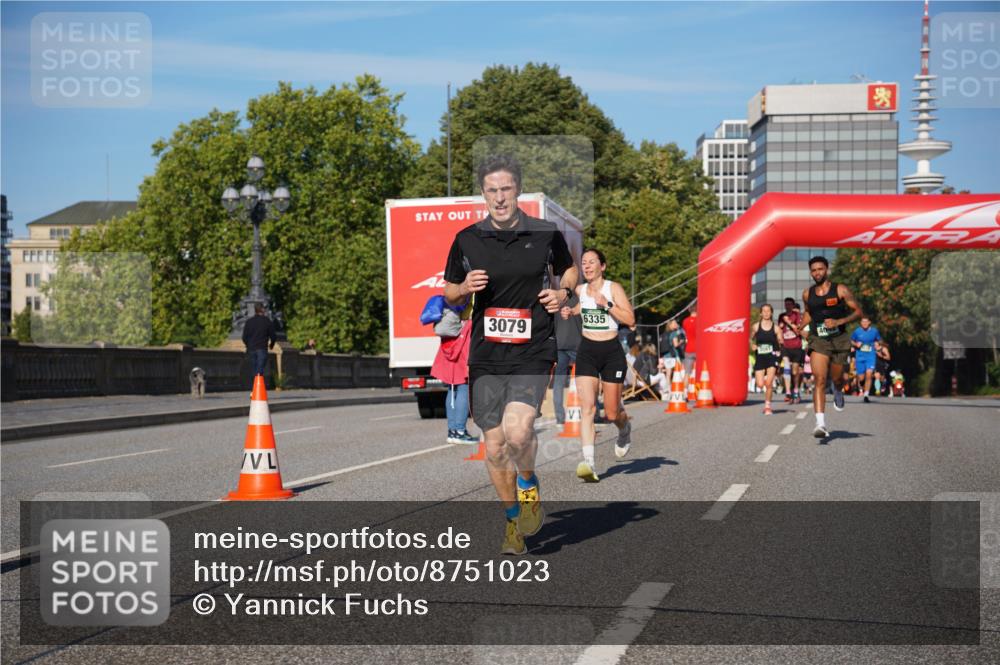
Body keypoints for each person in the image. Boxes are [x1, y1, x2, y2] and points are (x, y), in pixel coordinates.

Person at [443, 154, 578, 555]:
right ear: (482, 194)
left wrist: (562, 292)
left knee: (519, 431)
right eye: (491, 190)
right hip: (486, 353)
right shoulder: (467, 239)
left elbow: (569, 270)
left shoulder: (545, 232)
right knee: (496, 445)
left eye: (506, 189)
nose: (499, 197)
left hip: (533, 347)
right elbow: (448, 291)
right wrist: (464, 286)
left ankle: (528, 482)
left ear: (517, 189)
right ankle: (511, 522)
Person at [560, 248, 635, 482]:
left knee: (612, 412)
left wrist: (608, 305)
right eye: (584, 263)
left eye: (592, 262)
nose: (587, 266)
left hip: (611, 352)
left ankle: (624, 431)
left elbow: (631, 320)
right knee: (588, 409)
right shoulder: (581, 290)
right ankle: (589, 464)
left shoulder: (613, 288)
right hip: (587, 351)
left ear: (602, 266)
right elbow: (584, 306)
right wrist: (571, 311)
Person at [799, 256, 863, 438]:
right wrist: (800, 326)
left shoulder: (840, 289)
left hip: (839, 339)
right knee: (819, 379)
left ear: (826, 270)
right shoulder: (807, 294)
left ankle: (838, 390)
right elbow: (809, 313)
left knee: (837, 379)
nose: (817, 273)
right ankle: (820, 424)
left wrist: (839, 321)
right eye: (813, 270)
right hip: (818, 339)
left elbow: (858, 312)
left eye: (820, 269)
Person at [431, 306, 478, 445]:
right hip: (466, 331)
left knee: (452, 388)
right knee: (464, 385)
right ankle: (460, 431)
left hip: (452, 335)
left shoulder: (452, 292)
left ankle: (452, 431)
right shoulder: (470, 289)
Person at [553, 290, 582, 425]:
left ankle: (560, 417)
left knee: (558, 382)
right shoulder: (580, 300)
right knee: (586, 379)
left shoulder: (557, 301)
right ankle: (593, 412)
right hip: (577, 344)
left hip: (559, 344)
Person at [750, 304, 781, 415]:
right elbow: (750, 338)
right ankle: (766, 393)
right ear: (761, 313)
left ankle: (767, 406)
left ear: (771, 313)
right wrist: (752, 345)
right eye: (764, 311)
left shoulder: (776, 328)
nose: (766, 313)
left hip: (772, 357)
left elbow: (780, 340)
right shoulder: (756, 326)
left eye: (768, 311)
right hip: (760, 357)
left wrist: (780, 342)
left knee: (769, 383)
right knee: (759, 384)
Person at [777, 298, 805, 404]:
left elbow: (798, 331)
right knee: (787, 367)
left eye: (789, 304)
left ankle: (796, 389)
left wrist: (788, 322)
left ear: (793, 305)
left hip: (796, 346)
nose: (787, 306)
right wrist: (780, 328)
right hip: (785, 346)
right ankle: (788, 392)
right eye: (786, 304)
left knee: (795, 371)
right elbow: (779, 329)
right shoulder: (781, 316)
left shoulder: (797, 315)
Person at [851, 315, 882, 402]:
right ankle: (861, 384)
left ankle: (866, 394)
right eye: (862, 322)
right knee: (861, 378)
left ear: (869, 322)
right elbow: (851, 340)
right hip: (860, 356)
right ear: (860, 323)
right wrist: (856, 344)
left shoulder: (874, 331)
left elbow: (880, 340)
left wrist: (878, 345)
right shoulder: (857, 331)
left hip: (871, 356)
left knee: (869, 374)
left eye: (866, 322)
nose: (864, 323)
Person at [242, 304, 276, 381]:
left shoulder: (249, 322)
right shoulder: (267, 321)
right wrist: (271, 345)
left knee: (254, 368)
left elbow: (244, 337)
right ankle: (258, 386)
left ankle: (254, 387)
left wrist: (248, 345)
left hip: (251, 348)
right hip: (262, 348)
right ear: (262, 310)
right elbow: (273, 336)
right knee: (260, 368)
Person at [681, 306, 698, 376]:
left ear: (689, 310)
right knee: (700, 372)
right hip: (699, 349)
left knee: (687, 373)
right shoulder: (701, 320)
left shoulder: (685, 321)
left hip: (688, 349)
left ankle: (685, 387)